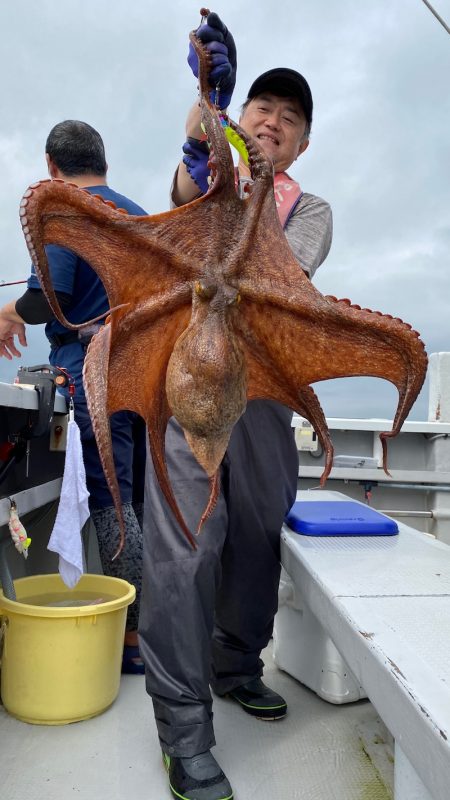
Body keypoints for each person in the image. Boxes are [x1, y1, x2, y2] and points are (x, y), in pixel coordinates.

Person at [138, 12, 333, 800]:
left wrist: (244, 173)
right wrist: (208, 120)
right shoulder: (209, 166)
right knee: (186, 547)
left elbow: (283, 274)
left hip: (260, 397)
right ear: (243, 113)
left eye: (290, 118)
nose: (273, 121)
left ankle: (235, 666)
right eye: (262, 108)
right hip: (188, 380)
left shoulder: (310, 209)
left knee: (256, 532)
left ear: (303, 144)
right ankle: (184, 733)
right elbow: (188, 187)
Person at [0, 120, 147, 674]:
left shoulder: (61, 209)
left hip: (90, 373)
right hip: (138, 372)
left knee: (112, 507)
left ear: (51, 166)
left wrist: (8, 312)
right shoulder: (137, 214)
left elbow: (50, 300)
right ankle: (144, 626)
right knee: (133, 498)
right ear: (102, 161)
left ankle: (131, 641)